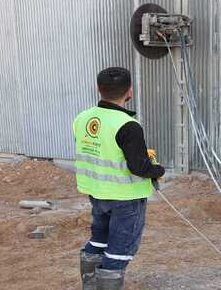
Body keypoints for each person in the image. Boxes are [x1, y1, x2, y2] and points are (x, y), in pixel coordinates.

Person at [73, 67, 165, 290]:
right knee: (119, 250)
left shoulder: (82, 118)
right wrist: (158, 169)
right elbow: (139, 167)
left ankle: (90, 285)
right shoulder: (128, 125)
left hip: (97, 193)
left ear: (98, 89)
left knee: (99, 239)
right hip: (126, 198)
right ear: (129, 91)